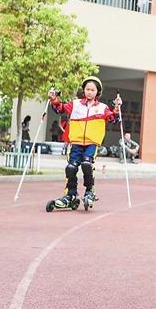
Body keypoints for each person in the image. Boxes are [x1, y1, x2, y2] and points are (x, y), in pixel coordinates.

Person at [46, 76, 121, 209]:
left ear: (97, 92)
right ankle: (70, 195)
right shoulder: (75, 104)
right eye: (87, 89)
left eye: (93, 90)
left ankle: (89, 191)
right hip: (75, 142)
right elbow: (59, 109)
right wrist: (53, 99)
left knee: (87, 164)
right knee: (71, 167)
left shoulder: (103, 108)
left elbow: (114, 119)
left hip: (92, 143)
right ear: (84, 90)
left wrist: (116, 108)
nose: (90, 92)